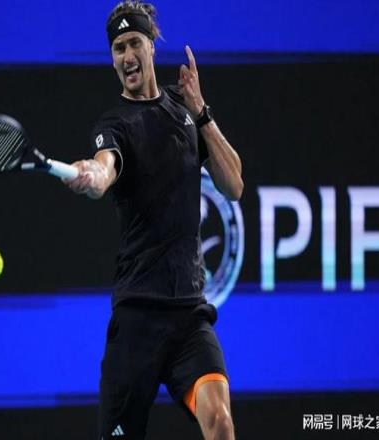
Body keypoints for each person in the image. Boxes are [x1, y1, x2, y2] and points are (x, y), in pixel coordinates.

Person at [64, 1, 243, 438]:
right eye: (118, 48)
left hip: (189, 314)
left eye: (134, 43)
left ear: (151, 46)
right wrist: (91, 174)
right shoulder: (115, 124)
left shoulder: (184, 109)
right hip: (137, 317)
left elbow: (234, 185)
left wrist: (202, 112)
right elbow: (104, 169)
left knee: (220, 421)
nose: (127, 55)